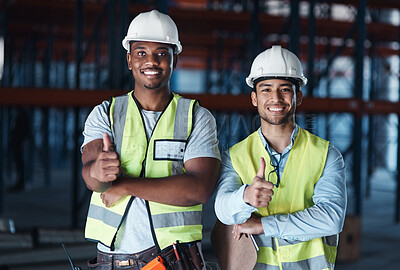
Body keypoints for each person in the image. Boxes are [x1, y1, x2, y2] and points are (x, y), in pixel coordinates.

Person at [81, 10, 221, 270]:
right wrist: (99, 171)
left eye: (161, 53)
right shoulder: (105, 113)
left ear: (174, 59)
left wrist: (123, 185)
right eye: (141, 52)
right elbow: (93, 179)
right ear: (129, 60)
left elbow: (198, 189)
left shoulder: (197, 118)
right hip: (111, 261)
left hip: (173, 259)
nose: (151, 61)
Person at [213, 45, 347, 269]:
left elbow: (331, 218)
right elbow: (223, 211)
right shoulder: (235, 156)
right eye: (266, 89)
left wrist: (263, 225)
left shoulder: (326, 155)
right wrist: (245, 197)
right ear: (254, 98)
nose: (275, 98)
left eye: (285, 89)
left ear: (298, 97)